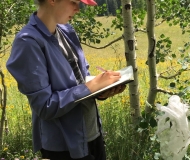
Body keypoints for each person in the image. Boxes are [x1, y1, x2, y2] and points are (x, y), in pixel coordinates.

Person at [6, 0, 126, 159]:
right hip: (64, 147)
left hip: (91, 134)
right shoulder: (28, 42)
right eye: (73, 2)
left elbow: (80, 79)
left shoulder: (65, 30)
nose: (78, 9)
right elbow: (44, 106)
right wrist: (91, 87)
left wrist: (101, 90)